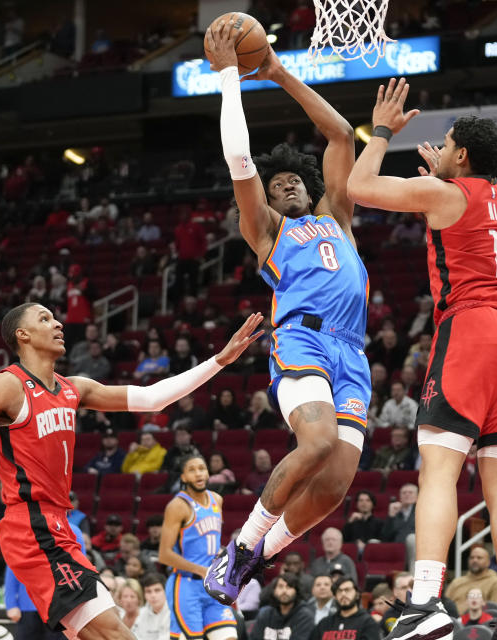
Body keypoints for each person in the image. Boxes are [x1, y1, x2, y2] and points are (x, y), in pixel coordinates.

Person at [0, 302, 262, 639]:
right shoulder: (4, 387)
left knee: (108, 630)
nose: (57, 323)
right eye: (43, 318)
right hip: (32, 528)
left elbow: (154, 398)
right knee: (117, 636)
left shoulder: (75, 389)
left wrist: (219, 361)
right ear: (21, 336)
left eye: (55, 317)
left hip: (60, 527)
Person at [346, 89, 497, 638]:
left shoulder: (444, 194)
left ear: (458, 158)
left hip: (474, 331)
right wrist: (444, 173)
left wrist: (381, 130)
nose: (443, 148)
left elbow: (357, 187)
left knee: (439, 468)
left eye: (449, 144)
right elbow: (467, 195)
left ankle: (427, 599)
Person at [204, 20, 371, 607]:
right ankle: (242, 546)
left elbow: (340, 133)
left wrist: (275, 71)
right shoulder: (268, 232)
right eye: (277, 186)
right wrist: (230, 76)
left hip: (354, 352)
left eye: (294, 180)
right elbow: (239, 156)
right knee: (319, 440)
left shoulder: (339, 218)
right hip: (302, 341)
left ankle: (258, 556)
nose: (288, 186)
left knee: (332, 487)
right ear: (269, 202)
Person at [158, 454, 238, 640]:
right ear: (183, 477)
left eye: (202, 468)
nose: (198, 473)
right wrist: (201, 570)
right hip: (186, 585)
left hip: (213, 584)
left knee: (229, 636)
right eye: (192, 470)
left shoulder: (217, 500)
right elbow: (164, 555)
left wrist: (226, 556)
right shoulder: (178, 506)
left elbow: (210, 543)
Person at [310, 576, 381, 640]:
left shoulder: (367, 622)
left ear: (357, 595)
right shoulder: (325, 623)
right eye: (339, 591)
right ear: (335, 597)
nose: (343, 594)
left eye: (347, 590)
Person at [251, 573, 315, 640]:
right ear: (274, 591)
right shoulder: (265, 614)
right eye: (280, 586)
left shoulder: (304, 616)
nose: (284, 591)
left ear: (296, 591)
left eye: (289, 587)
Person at [444, 544, 497, 613]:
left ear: (488, 562)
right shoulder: (457, 582)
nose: (474, 560)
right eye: (472, 557)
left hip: (480, 623)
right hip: (453, 621)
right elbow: (444, 605)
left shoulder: (495, 582)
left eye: (479, 558)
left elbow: (496, 610)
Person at [133, 573, 170, 640]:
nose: (153, 595)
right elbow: (135, 636)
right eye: (148, 591)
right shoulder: (142, 613)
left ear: (166, 591)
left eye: (157, 590)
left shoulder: (174, 613)